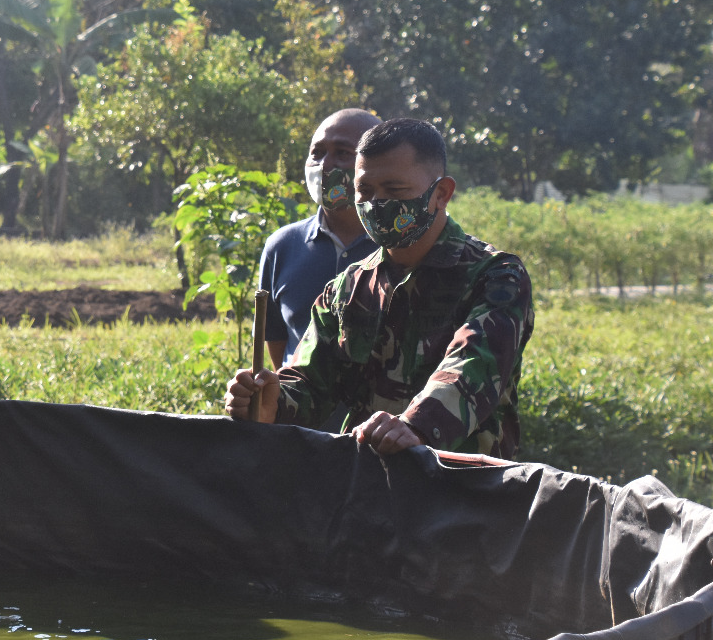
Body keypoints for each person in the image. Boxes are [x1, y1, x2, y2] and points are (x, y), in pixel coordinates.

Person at [226, 118, 533, 458]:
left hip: (461, 493)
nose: (376, 204)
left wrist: (415, 426)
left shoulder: (496, 276)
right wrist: (274, 401)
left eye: (395, 190)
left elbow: (474, 366)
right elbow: (311, 381)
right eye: (365, 191)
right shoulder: (347, 288)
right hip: (367, 489)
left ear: (441, 194)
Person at [259, 108, 381, 366]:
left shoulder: (398, 245)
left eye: (343, 153)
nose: (324, 165)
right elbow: (278, 343)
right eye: (317, 153)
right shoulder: (281, 247)